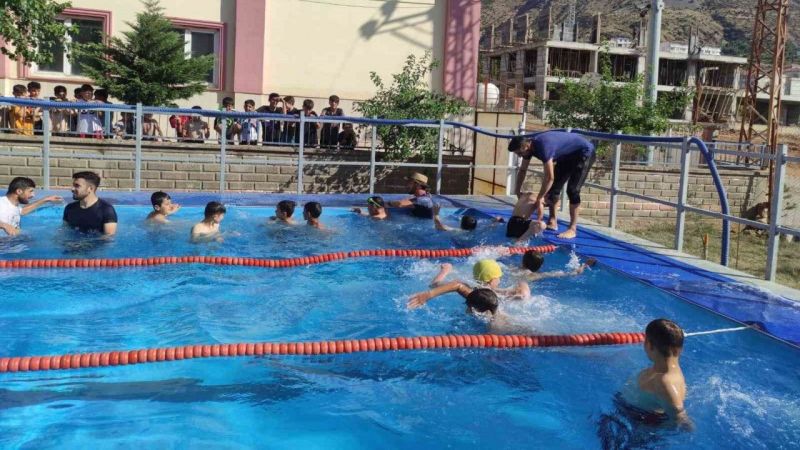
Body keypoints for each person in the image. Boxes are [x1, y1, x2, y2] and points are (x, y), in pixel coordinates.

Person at [509, 131, 597, 239]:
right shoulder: (528, 149)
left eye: (519, 153)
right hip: (566, 156)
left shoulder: (544, 147)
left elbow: (549, 178)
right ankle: (552, 221)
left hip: (584, 152)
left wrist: (540, 198)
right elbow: (522, 170)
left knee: (573, 190)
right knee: (553, 190)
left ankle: (572, 229)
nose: (519, 156)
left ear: (526, 146)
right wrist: (517, 190)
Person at [407, 261, 530, 332]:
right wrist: (522, 280)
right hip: (497, 322)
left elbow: (435, 284)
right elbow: (523, 295)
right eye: (499, 277)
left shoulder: (471, 289)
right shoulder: (499, 293)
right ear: (493, 279)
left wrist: (445, 270)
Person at [621, 319, 691, 427]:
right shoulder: (668, 370)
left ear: (648, 345)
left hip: (638, 423)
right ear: (680, 349)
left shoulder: (664, 381)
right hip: (635, 415)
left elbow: (680, 416)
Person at [513, 250, 596, 281]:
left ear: (523, 261)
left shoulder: (513, 268)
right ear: (540, 266)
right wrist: (584, 265)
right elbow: (573, 273)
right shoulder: (536, 276)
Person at [432, 203, 503, 232]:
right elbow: (490, 227)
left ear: (461, 224)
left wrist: (436, 214)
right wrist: (495, 220)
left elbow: (440, 226)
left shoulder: (458, 231)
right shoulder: (478, 229)